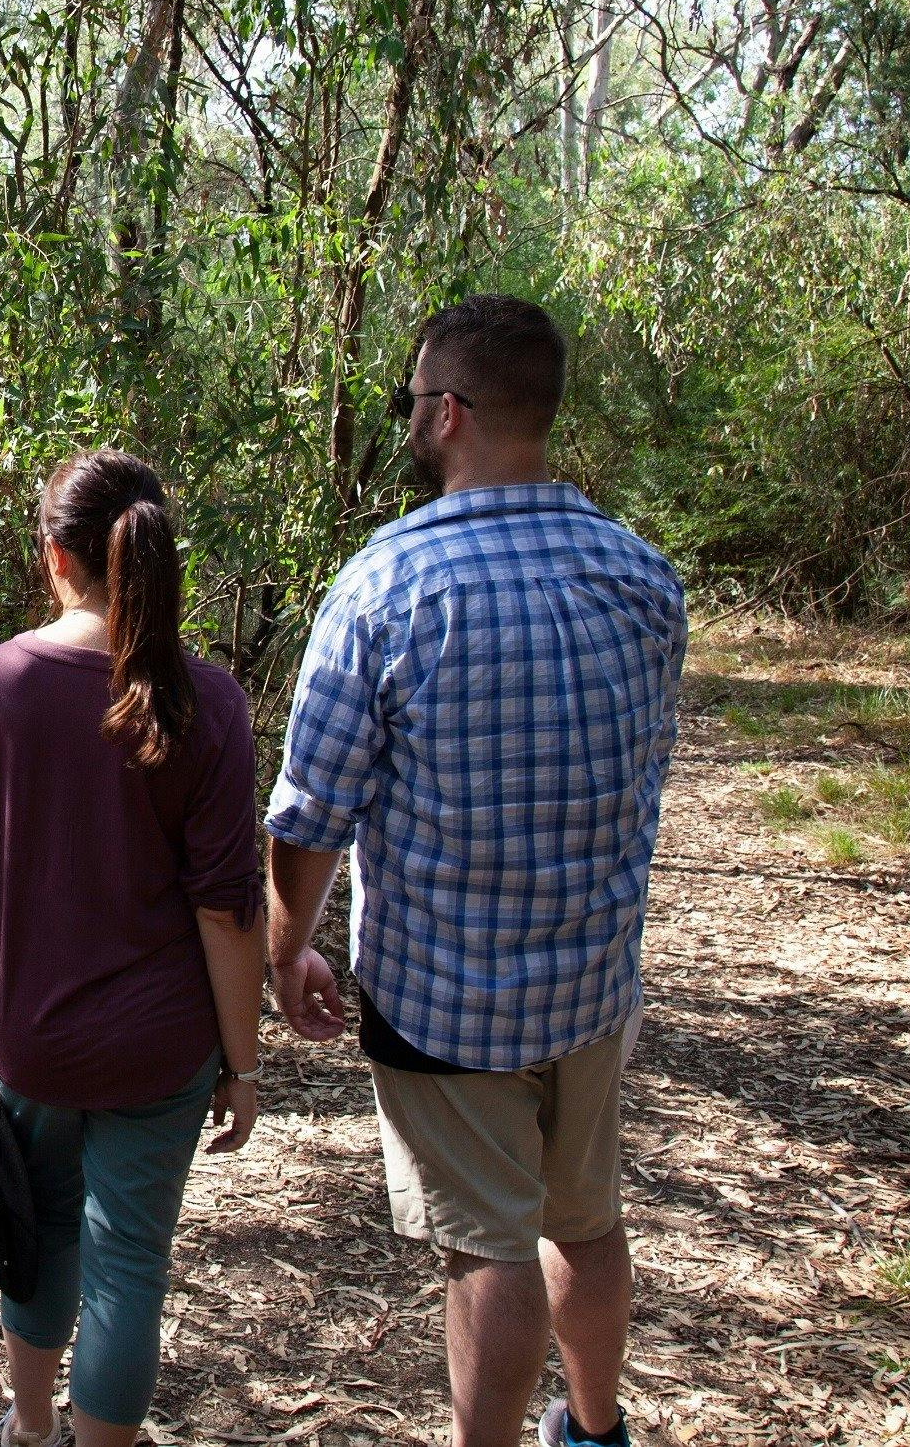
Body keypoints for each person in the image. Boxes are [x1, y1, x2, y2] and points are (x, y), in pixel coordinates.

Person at [262, 296, 687, 1447]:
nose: (408, 417)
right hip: (592, 986)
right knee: (585, 1222)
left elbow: (313, 810)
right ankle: (595, 1430)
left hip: (445, 1000)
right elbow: (642, 769)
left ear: (446, 413)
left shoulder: (385, 586)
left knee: (487, 1248)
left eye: (411, 401)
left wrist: (283, 943)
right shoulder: (641, 576)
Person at [0, 449, 266, 1447]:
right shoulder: (210, 702)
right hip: (161, 1049)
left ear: (55, 559)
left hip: (30, 1036)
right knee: (130, 1262)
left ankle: (30, 1428)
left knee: (39, 1229)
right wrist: (242, 1062)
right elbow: (225, 909)